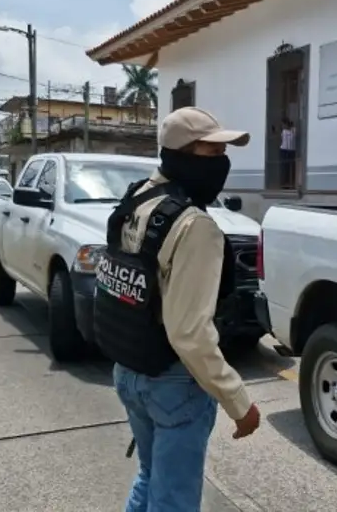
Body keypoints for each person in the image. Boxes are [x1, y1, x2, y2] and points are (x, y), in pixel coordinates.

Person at [93, 106, 261, 512]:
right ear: (182, 154)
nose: (222, 163)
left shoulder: (136, 198)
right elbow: (189, 332)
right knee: (175, 501)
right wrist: (238, 402)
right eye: (213, 153)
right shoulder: (195, 226)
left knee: (151, 477)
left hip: (129, 369)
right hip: (173, 383)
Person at [279, 118, 297, 189]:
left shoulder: (285, 131)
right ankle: (285, 184)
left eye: (283, 124)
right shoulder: (290, 131)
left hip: (288, 150)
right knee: (285, 168)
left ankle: (289, 183)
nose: (282, 126)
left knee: (289, 167)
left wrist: (290, 126)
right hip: (287, 150)